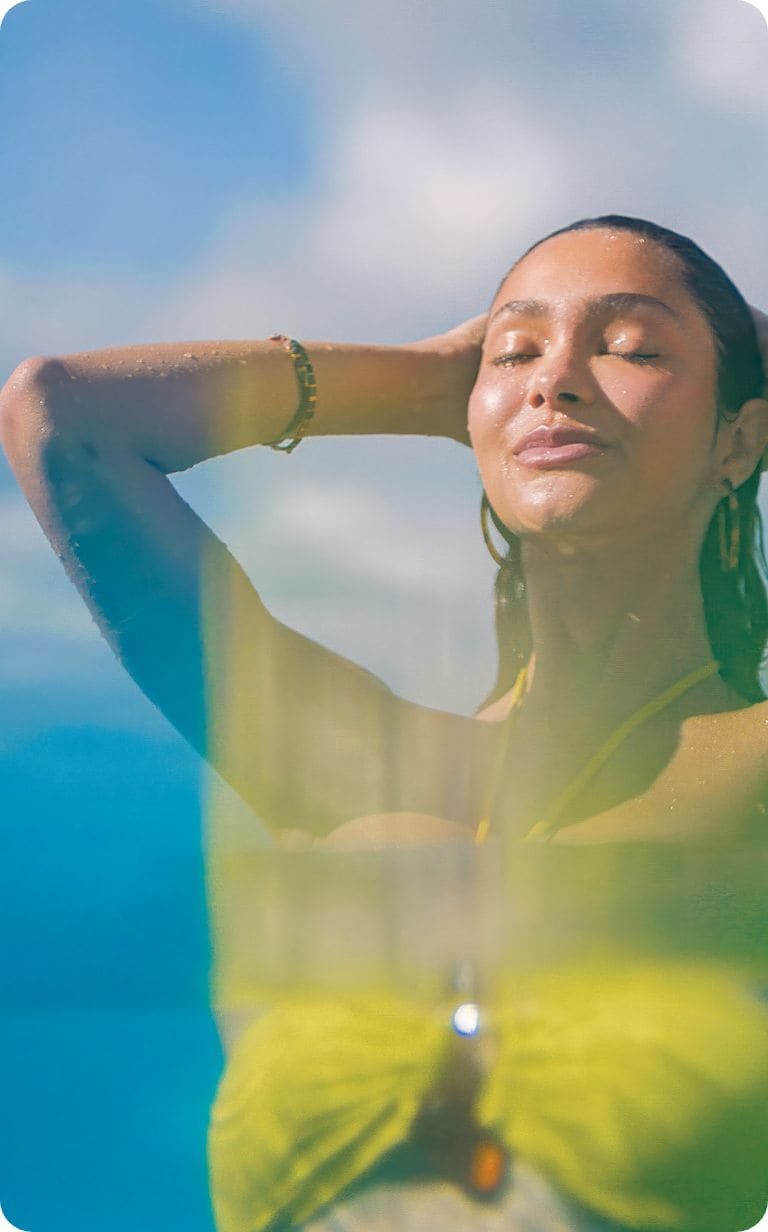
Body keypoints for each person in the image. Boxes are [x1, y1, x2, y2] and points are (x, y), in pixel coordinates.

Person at [3, 215, 768, 1230]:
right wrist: (423, 382)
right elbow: (64, 419)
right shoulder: (341, 765)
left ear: (741, 439)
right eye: (516, 350)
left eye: (633, 347)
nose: (559, 379)